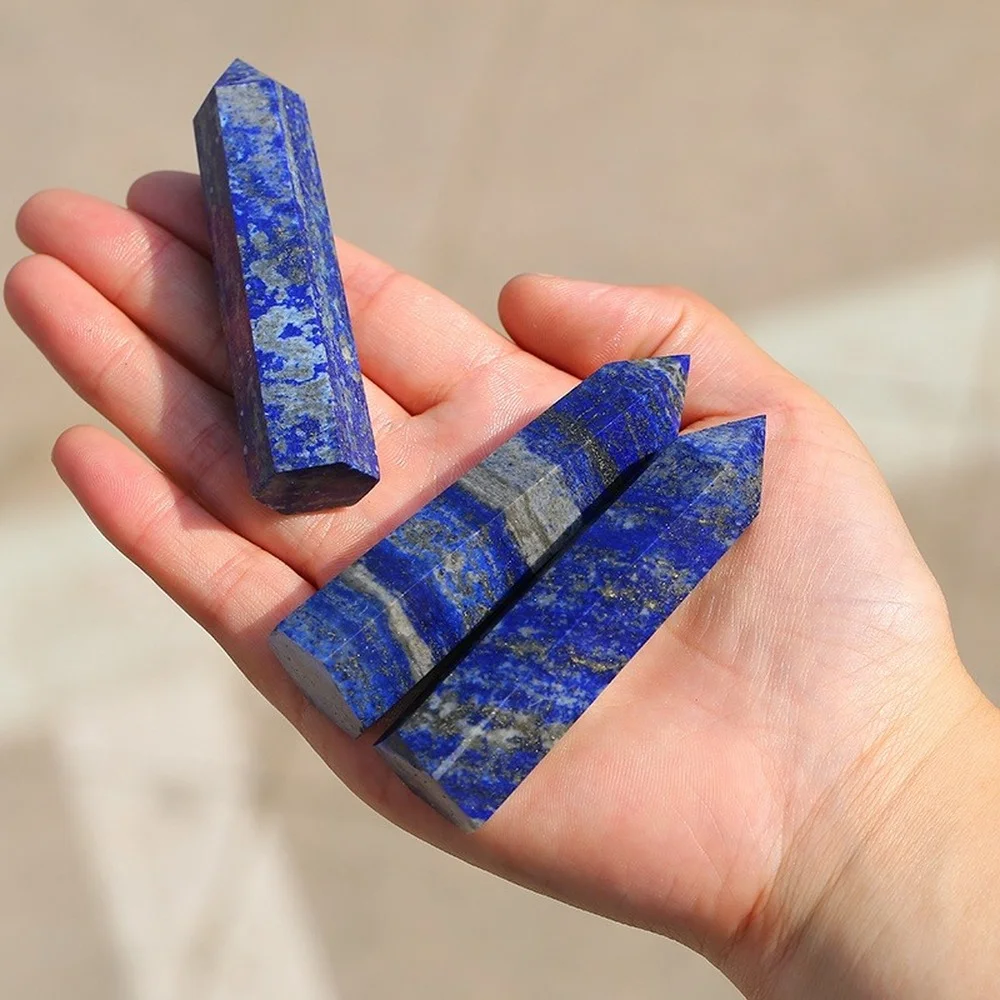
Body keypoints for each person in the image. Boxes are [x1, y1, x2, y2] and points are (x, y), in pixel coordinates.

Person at [5, 172, 999, 999]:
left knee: (386, 660)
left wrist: (873, 805)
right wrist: (875, 812)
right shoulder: (681, 441)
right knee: (364, 647)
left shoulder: (705, 470)